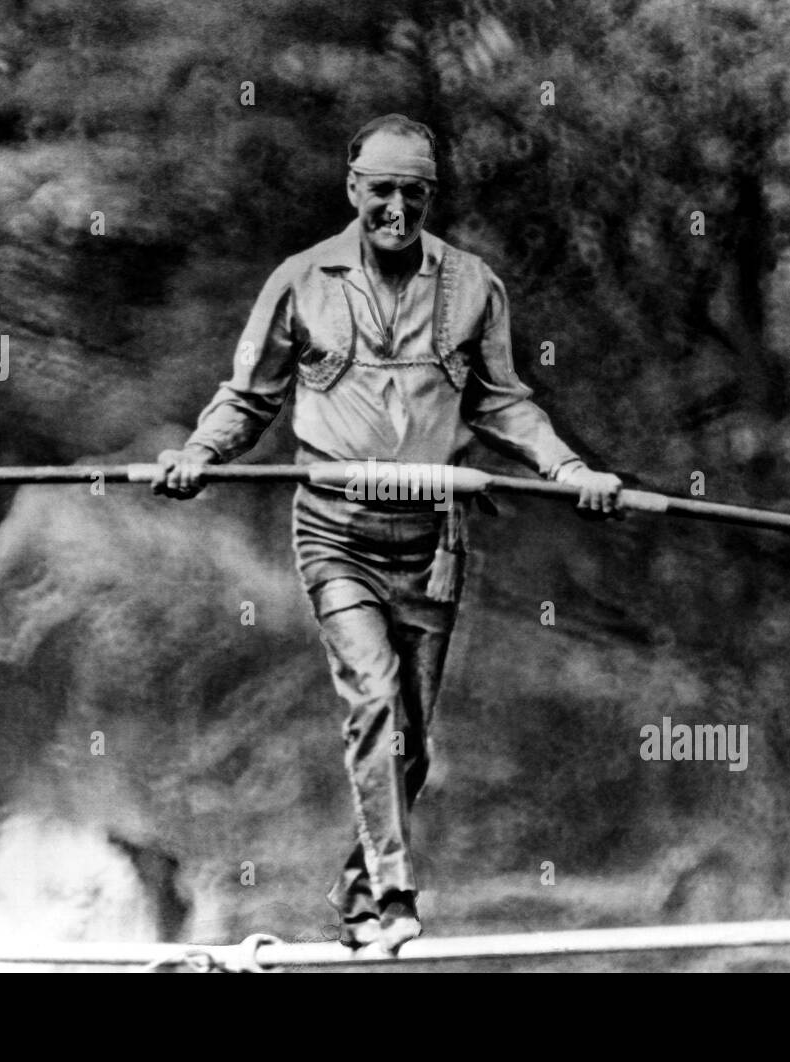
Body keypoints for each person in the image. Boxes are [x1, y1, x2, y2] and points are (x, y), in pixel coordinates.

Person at [154, 114, 622, 953]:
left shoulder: (476, 286)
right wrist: (197, 453)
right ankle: (394, 899)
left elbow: (501, 400)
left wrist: (568, 469)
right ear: (352, 189)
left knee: (410, 742)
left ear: (432, 195)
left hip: (434, 545)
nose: (398, 211)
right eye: (382, 192)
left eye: (415, 193)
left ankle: (356, 887)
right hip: (335, 531)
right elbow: (249, 396)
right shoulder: (300, 282)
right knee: (371, 700)